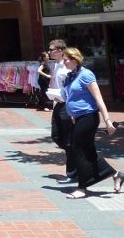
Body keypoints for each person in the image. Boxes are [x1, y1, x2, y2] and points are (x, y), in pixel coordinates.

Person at [62, 47, 124, 199]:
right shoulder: (71, 76)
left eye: (66, 59)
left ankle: (82, 188)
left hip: (88, 117)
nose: (64, 62)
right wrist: (71, 114)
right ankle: (116, 174)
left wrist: (107, 121)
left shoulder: (86, 75)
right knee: (88, 152)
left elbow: (99, 99)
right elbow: (71, 97)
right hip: (77, 118)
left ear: (75, 59)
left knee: (77, 149)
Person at [47, 39, 75, 182]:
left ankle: (72, 173)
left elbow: (72, 86)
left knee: (69, 141)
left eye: (51, 49)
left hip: (67, 105)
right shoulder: (56, 65)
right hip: (58, 103)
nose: (49, 52)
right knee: (56, 135)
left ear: (59, 51)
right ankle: (75, 156)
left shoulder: (67, 66)